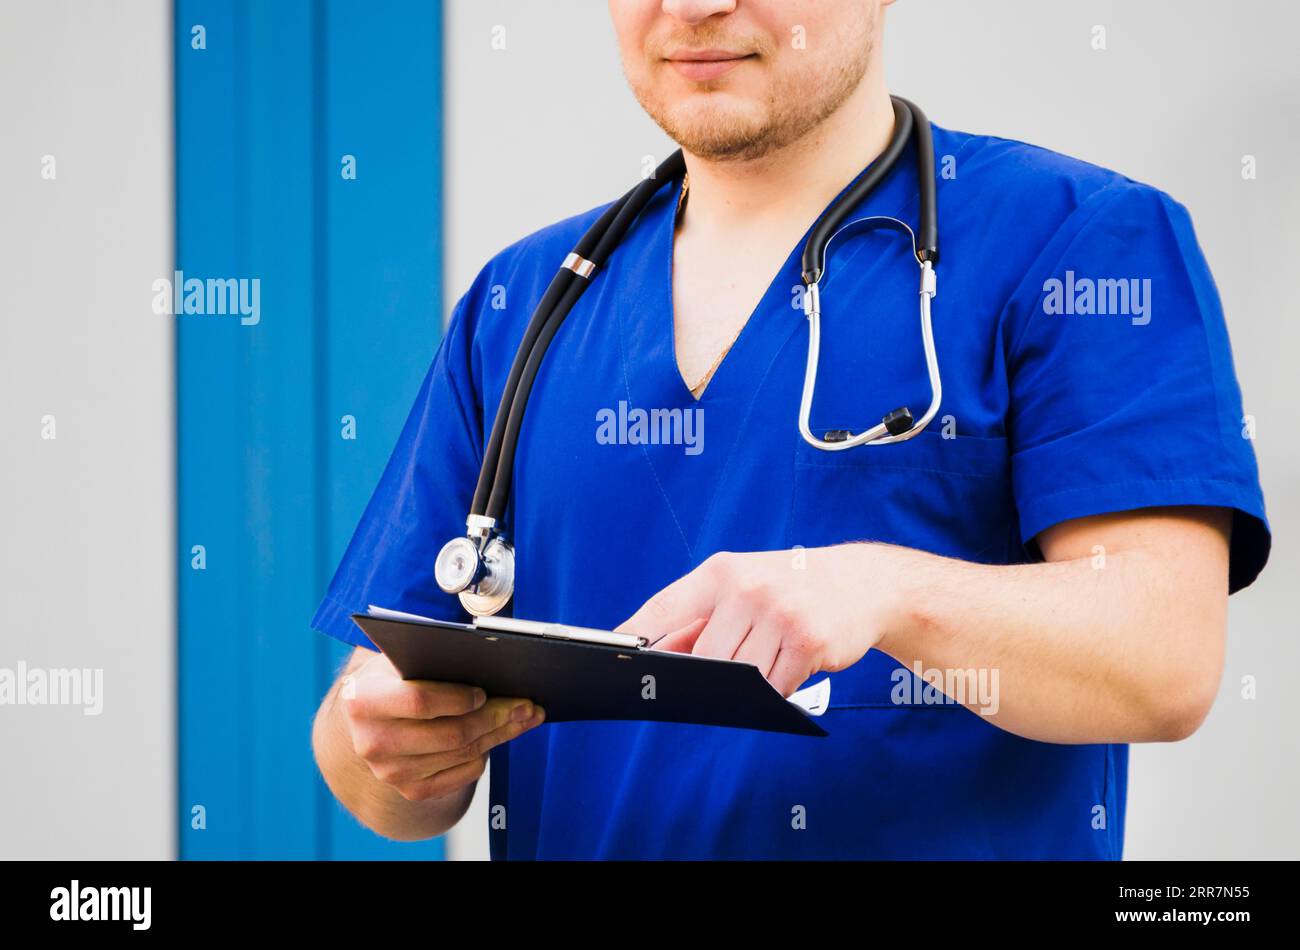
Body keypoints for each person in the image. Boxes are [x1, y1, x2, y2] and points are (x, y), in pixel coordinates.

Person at [309, 0, 1269, 859]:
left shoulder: (1076, 242)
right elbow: (376, 763)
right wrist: (390, 746)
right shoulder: (526, 302)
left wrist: (876, 588)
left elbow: (1163, 658)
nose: (693, 6)